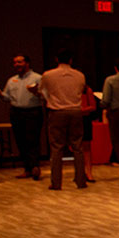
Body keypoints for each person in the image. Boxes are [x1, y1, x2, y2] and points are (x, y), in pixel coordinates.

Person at [39, 49, 89, 190]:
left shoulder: (48, 75)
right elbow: (81, 90)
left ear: (56, 59)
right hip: (75, 111)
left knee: (56, 147)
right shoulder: (80, 75)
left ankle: (56, 182)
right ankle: (81, 180)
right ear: (71, 60)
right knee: (77, 147)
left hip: (57, 111)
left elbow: (42, 92)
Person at [0, 55, 44, 180]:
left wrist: (36, 92)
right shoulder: (12, 80)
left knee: (33, 139)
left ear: (27, 63)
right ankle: (27, 168)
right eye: (15, 62)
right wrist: (0, 94)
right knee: (21, 141)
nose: (16, 65)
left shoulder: (38, 78)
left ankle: (35, 167)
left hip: (33, 112)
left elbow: (46, 96)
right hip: (16, 112)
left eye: (19, 62)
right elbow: (7, 98)